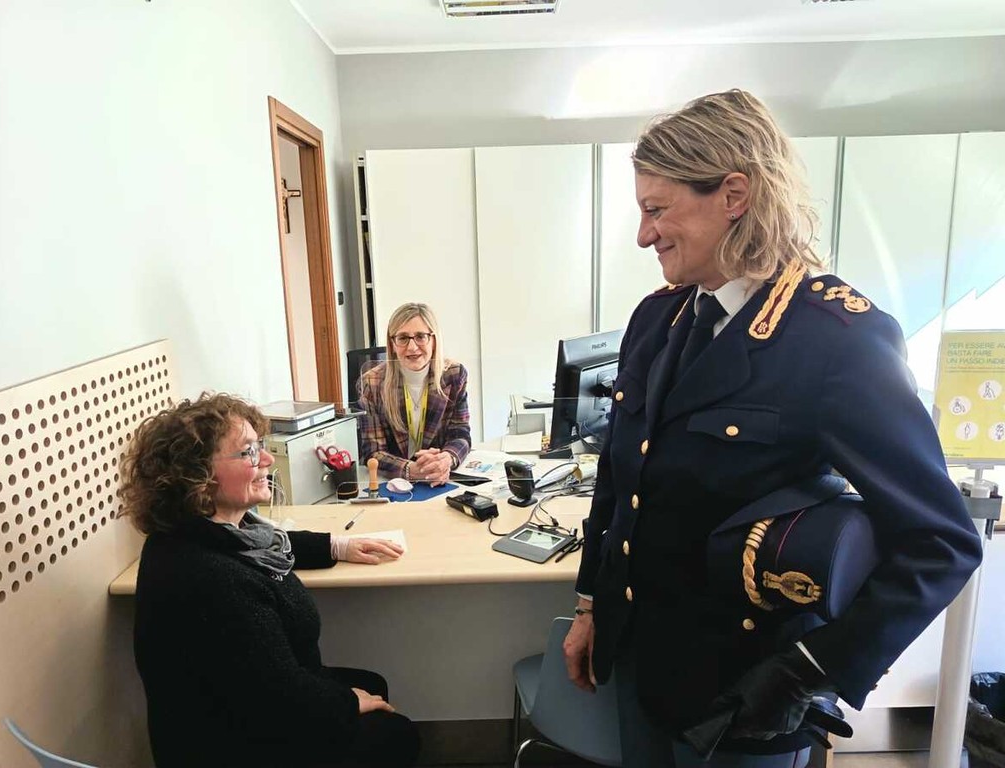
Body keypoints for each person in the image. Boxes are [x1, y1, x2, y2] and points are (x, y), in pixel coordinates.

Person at [562, 89, 983, 768]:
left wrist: (812, 669)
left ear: (734, 195)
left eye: (657, 210)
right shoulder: (656, 319)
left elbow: (942, 542)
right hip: (640, 661)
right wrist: (589, 606)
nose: (644, 236)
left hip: (747, 696)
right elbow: (618, 478)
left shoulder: (836, 339)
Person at [120, 393, 420, 768]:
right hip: (235, 743)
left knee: (372, 685)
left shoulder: (197, 533)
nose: (266, 459)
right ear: (198, 476)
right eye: (248, 452)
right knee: (397, 734)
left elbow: (267, 542)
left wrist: (337, 546)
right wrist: (345, 702)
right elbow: (278, 697)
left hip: (240, 707)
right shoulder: (212, 579)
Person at [357, 302, 471, 485]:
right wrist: (410, 470)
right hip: (394, 482)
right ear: (392, 344)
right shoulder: (372, 382)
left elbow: (460, 434)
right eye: (403, 338)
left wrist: (447, 459)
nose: (412, 347)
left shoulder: (454, 375)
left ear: (433, 340)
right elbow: (373, 451)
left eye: (420, 336)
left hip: (439, 479)